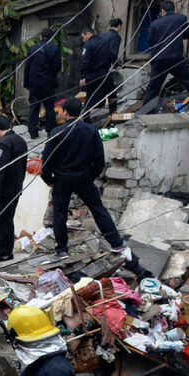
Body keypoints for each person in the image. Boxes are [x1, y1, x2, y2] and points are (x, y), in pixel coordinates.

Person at [41, 99, 125, 260]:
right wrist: (91, 175)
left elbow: (47, 160)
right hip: (84, 176)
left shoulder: (56, 132)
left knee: (60, 214)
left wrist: (48, 179)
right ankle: (115, 242)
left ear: (65, 112)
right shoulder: (91, 131)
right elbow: (99, 159)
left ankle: (62, 249)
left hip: (62, 178)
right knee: (98, 209)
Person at [143, 1, 189, 109]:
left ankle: (146, 110)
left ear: (162, 11)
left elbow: (150, 42)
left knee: (153, 87)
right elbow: (186, 34)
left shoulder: (155, 24)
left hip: (159, 59)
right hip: (175, 58)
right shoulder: (181, 18)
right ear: (173, 9)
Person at [0, 116, 27, 259]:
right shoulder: (21, 141)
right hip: (16, 187)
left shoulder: (4, 144)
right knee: (8, 219)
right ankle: (7, 249)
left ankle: (4, 252)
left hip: (5, 189)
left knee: (2, 220)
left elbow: (0, 170)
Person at [25, 27, 61, 139]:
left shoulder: (32, 49)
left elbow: (27, 68)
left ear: (41, 37)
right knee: (49, 107)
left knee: (34, 107)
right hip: (48, 83)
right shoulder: (54, 49)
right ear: (51, 38)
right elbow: (57, 67)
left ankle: (33, 131)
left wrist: (26, 83)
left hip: (34, 83)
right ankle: (50, 130)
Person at [78, 27, 110, 113]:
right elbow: (111, 55)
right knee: (101, 97)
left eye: (83, 37)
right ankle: (101, 116)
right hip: (104, 74)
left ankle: (88, 119)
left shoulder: (89, 45)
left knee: (91, 99)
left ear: (88, 34)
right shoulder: (105, 42)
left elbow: (85, 62)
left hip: (92, 76)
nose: (83, 40)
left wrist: (82, 76)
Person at [101, 19, 124, 114]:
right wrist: (116, 64)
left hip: (99, 66)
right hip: (106, 66)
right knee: (112, 91)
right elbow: (113, 52)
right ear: (119, 26)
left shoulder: (104, 36)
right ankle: (113, 113)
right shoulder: (115, 36)